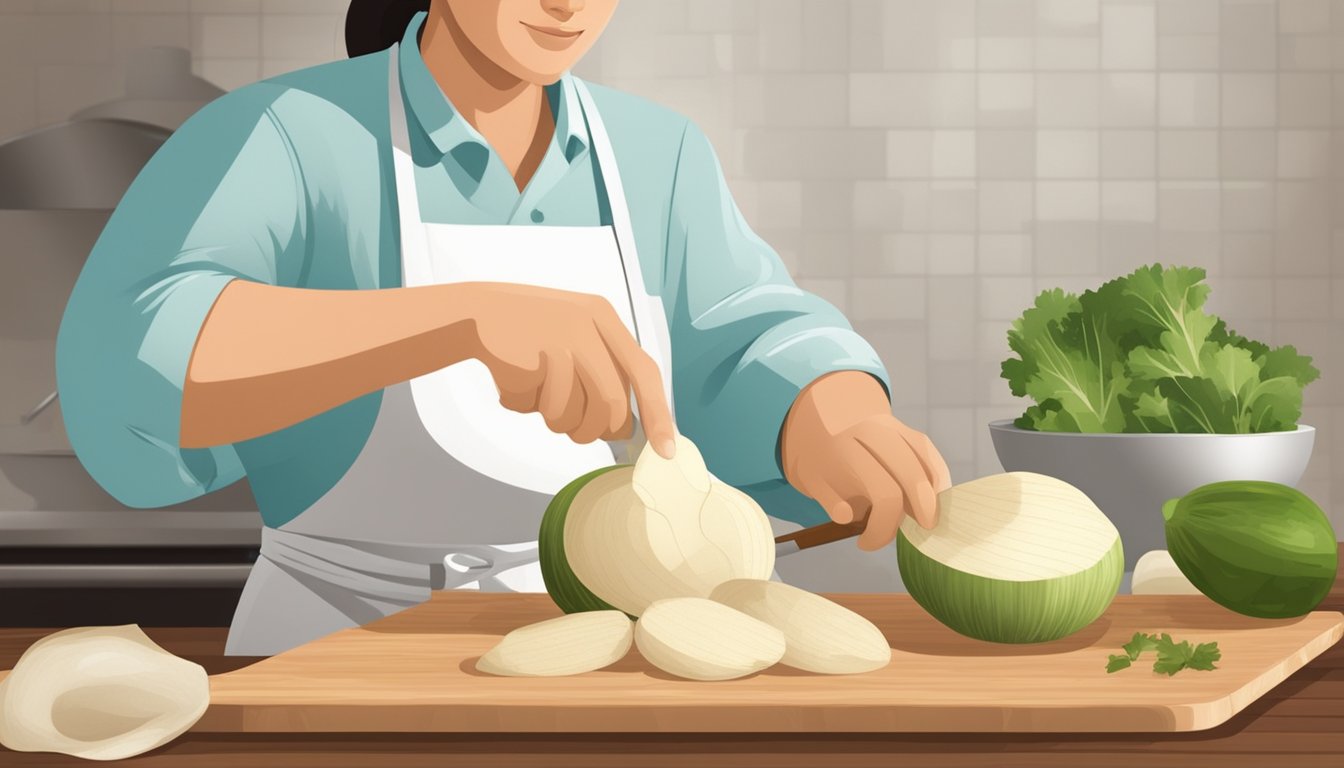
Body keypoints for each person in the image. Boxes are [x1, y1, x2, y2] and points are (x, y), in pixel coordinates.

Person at [55, 0, 951, 657]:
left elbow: (740, 337)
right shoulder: (289, 134)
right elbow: (126, 369)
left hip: (616, 656)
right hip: (334, 654)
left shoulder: (657, 152)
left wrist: (826, 410)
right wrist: (456, 319)